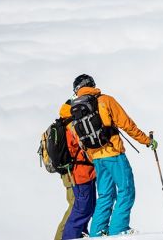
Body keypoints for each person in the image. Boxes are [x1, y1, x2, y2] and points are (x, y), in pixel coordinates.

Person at [71, 74, 158, 237]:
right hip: (114, 154)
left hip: (96, 157)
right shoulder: (105, 100)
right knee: (126, 189)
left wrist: (93, 155)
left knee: (105, 194)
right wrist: (146, 140)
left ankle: (97, 232)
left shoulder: (76, 109)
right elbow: (127, 124)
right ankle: (119, 229)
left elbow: (80, 138)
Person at [59, 101, 97, 240]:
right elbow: (82, 148)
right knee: (81, 210)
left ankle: (81, 234)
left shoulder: (66, 122)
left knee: (88, 208)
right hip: (80, 174)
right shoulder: (72, 125)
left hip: (82, 173)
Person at [54, 175, 74, 240]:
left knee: (75, 208)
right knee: (74, 208)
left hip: (71, 178)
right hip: (71, 177)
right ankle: (60, 237)